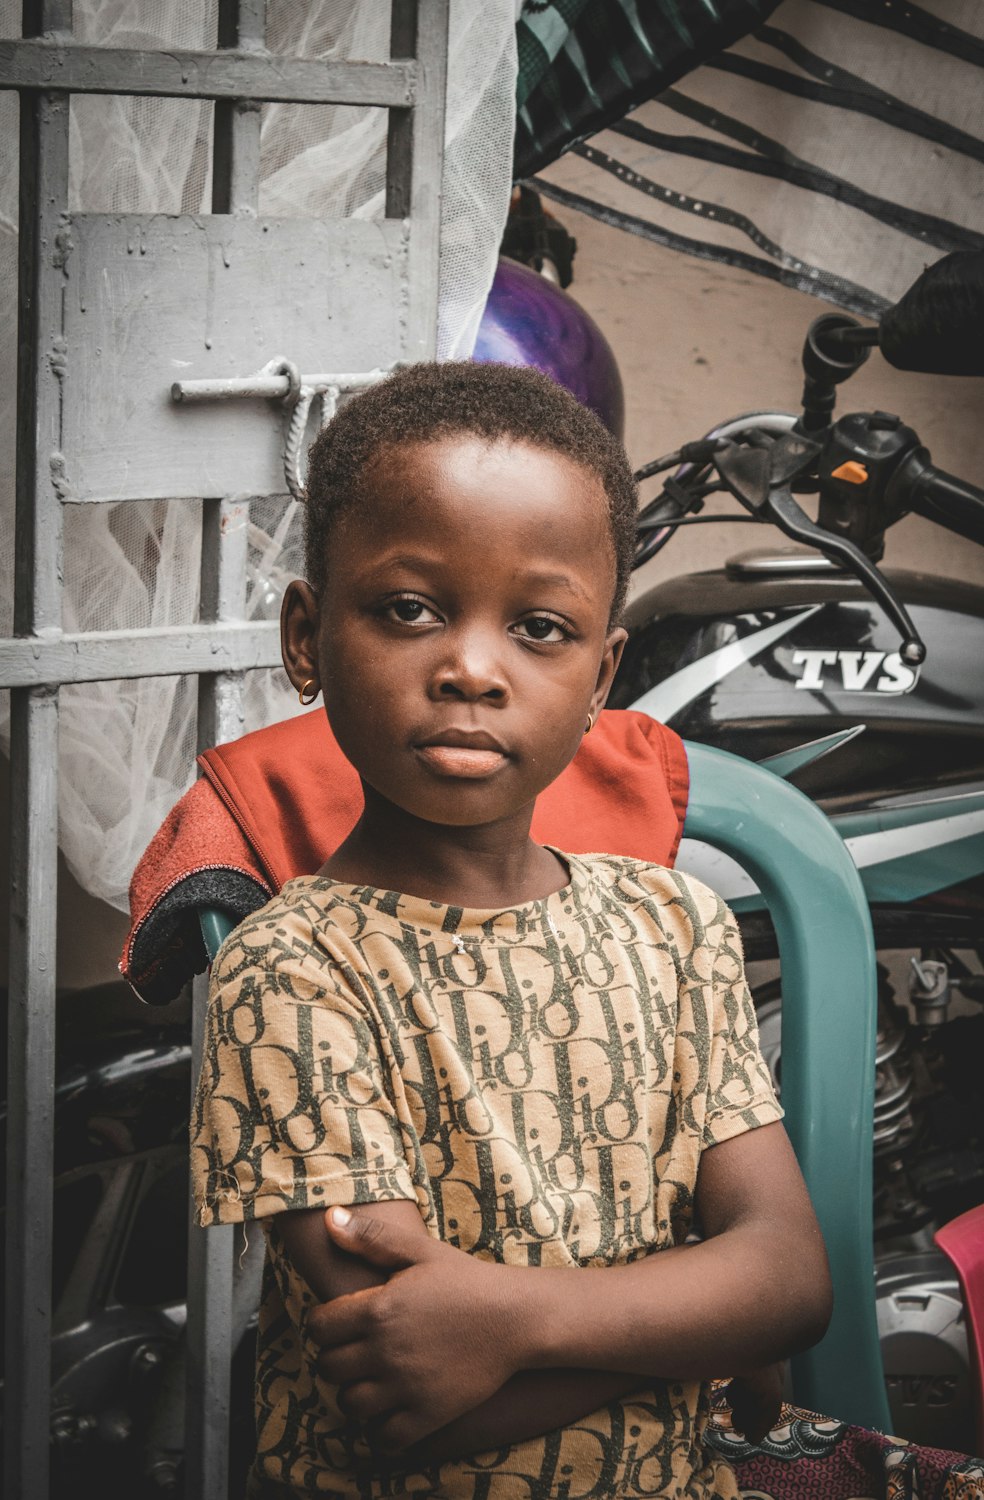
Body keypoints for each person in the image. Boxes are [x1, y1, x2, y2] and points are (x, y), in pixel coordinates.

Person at [190, 361, 832, 1499]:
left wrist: (513, 1320)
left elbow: (787, 1280)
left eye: (540, 627)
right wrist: (700, 1318)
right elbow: (406, 1397)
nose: (472, 669)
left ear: (600, 679)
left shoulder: (671, 925)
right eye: (408, 609)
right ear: (306, 636)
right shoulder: (292, 971)